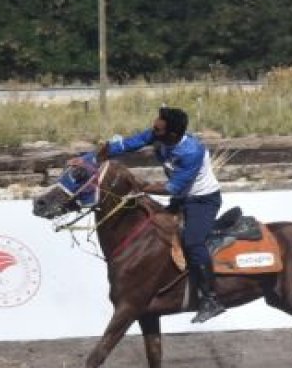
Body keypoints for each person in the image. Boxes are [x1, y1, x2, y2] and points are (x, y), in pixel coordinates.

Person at [97, 106, 226, 323]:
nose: (153, 132)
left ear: (172, 135)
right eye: (154, 127)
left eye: (157, 130)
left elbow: (173, 188)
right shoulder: (159, 134)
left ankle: (210, 299)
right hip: (183, 198)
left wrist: (141, 186)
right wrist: (105, 151)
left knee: (193, 242)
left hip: (202, 201)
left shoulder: (192, 152)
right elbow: (132, 143)